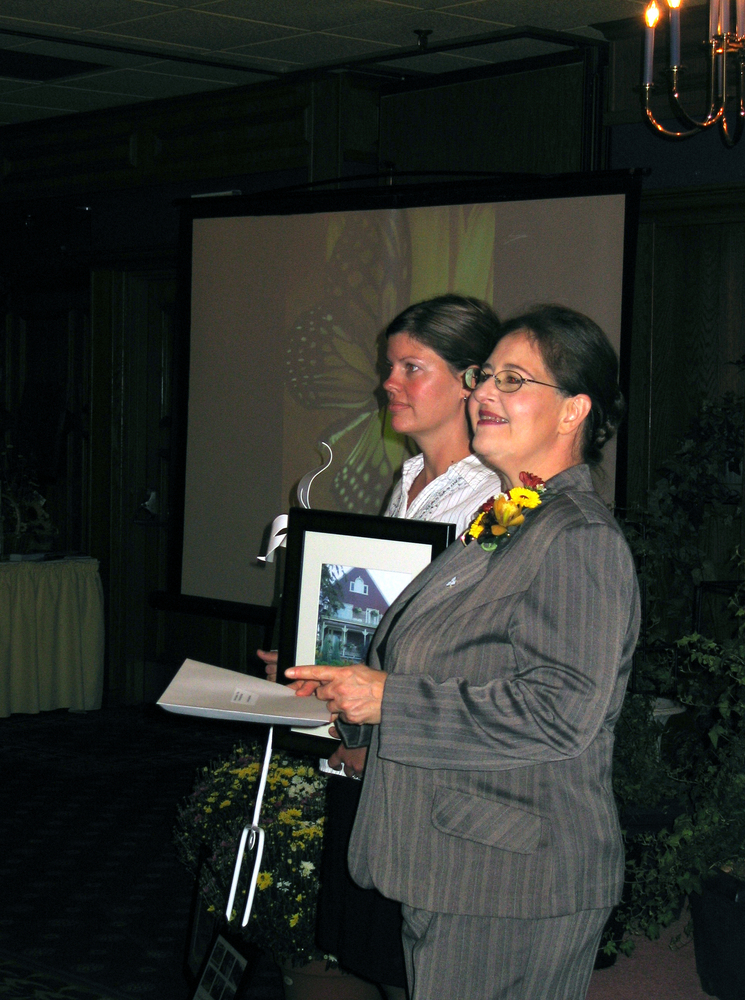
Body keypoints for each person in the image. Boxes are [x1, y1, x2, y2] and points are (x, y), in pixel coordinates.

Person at [287, 304, 641, 1000]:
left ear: (573, 411)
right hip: (459, 865)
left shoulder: (578, 537)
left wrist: (388, 701)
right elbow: (439, 658)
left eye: (514, 380)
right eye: (484, 376)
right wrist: (352, 700)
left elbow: (560, 713)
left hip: (513, 880)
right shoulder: (510, 518)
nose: (484, 393)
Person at [263, 293, 505, 996]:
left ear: (470, 382)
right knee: (378, 958)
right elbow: (390, 623)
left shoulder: (494, 501)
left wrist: (373, 728)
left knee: (418, 968)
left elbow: (471, 655)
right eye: (389, 366)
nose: (387, 383)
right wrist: (317, 657)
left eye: (410, 368)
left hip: (421, 771)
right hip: (368, 753)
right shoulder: (411, 480)